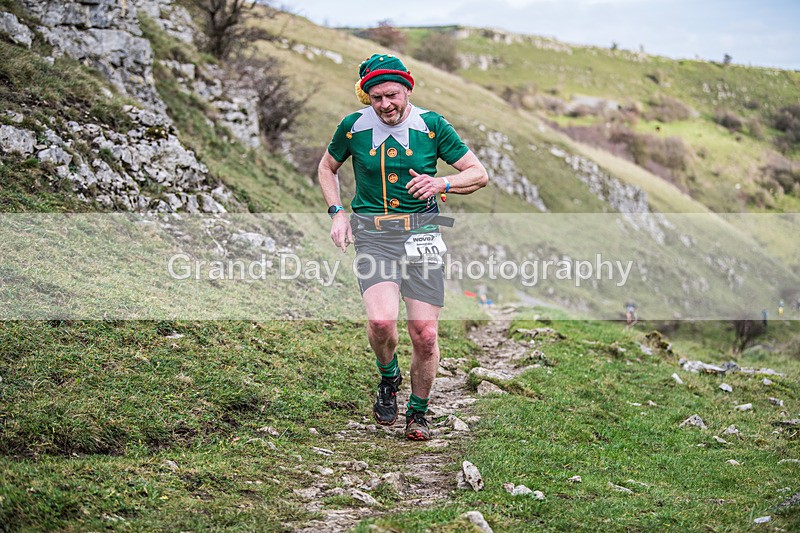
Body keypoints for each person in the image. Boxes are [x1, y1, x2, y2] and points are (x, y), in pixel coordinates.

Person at [318, 53, 488, 441]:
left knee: (425, 334)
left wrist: (441, 184)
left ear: (407, 89)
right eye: (375, 97)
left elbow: (479, 174)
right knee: (381, 323)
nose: (385, 105)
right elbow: (327, 167)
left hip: (423, 234)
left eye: (392, 95)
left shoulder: (432, 126)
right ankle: (388, 377)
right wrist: (337, 213)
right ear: (366, 97)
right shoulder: (352, 127)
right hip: (374, 235)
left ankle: (419, 412)